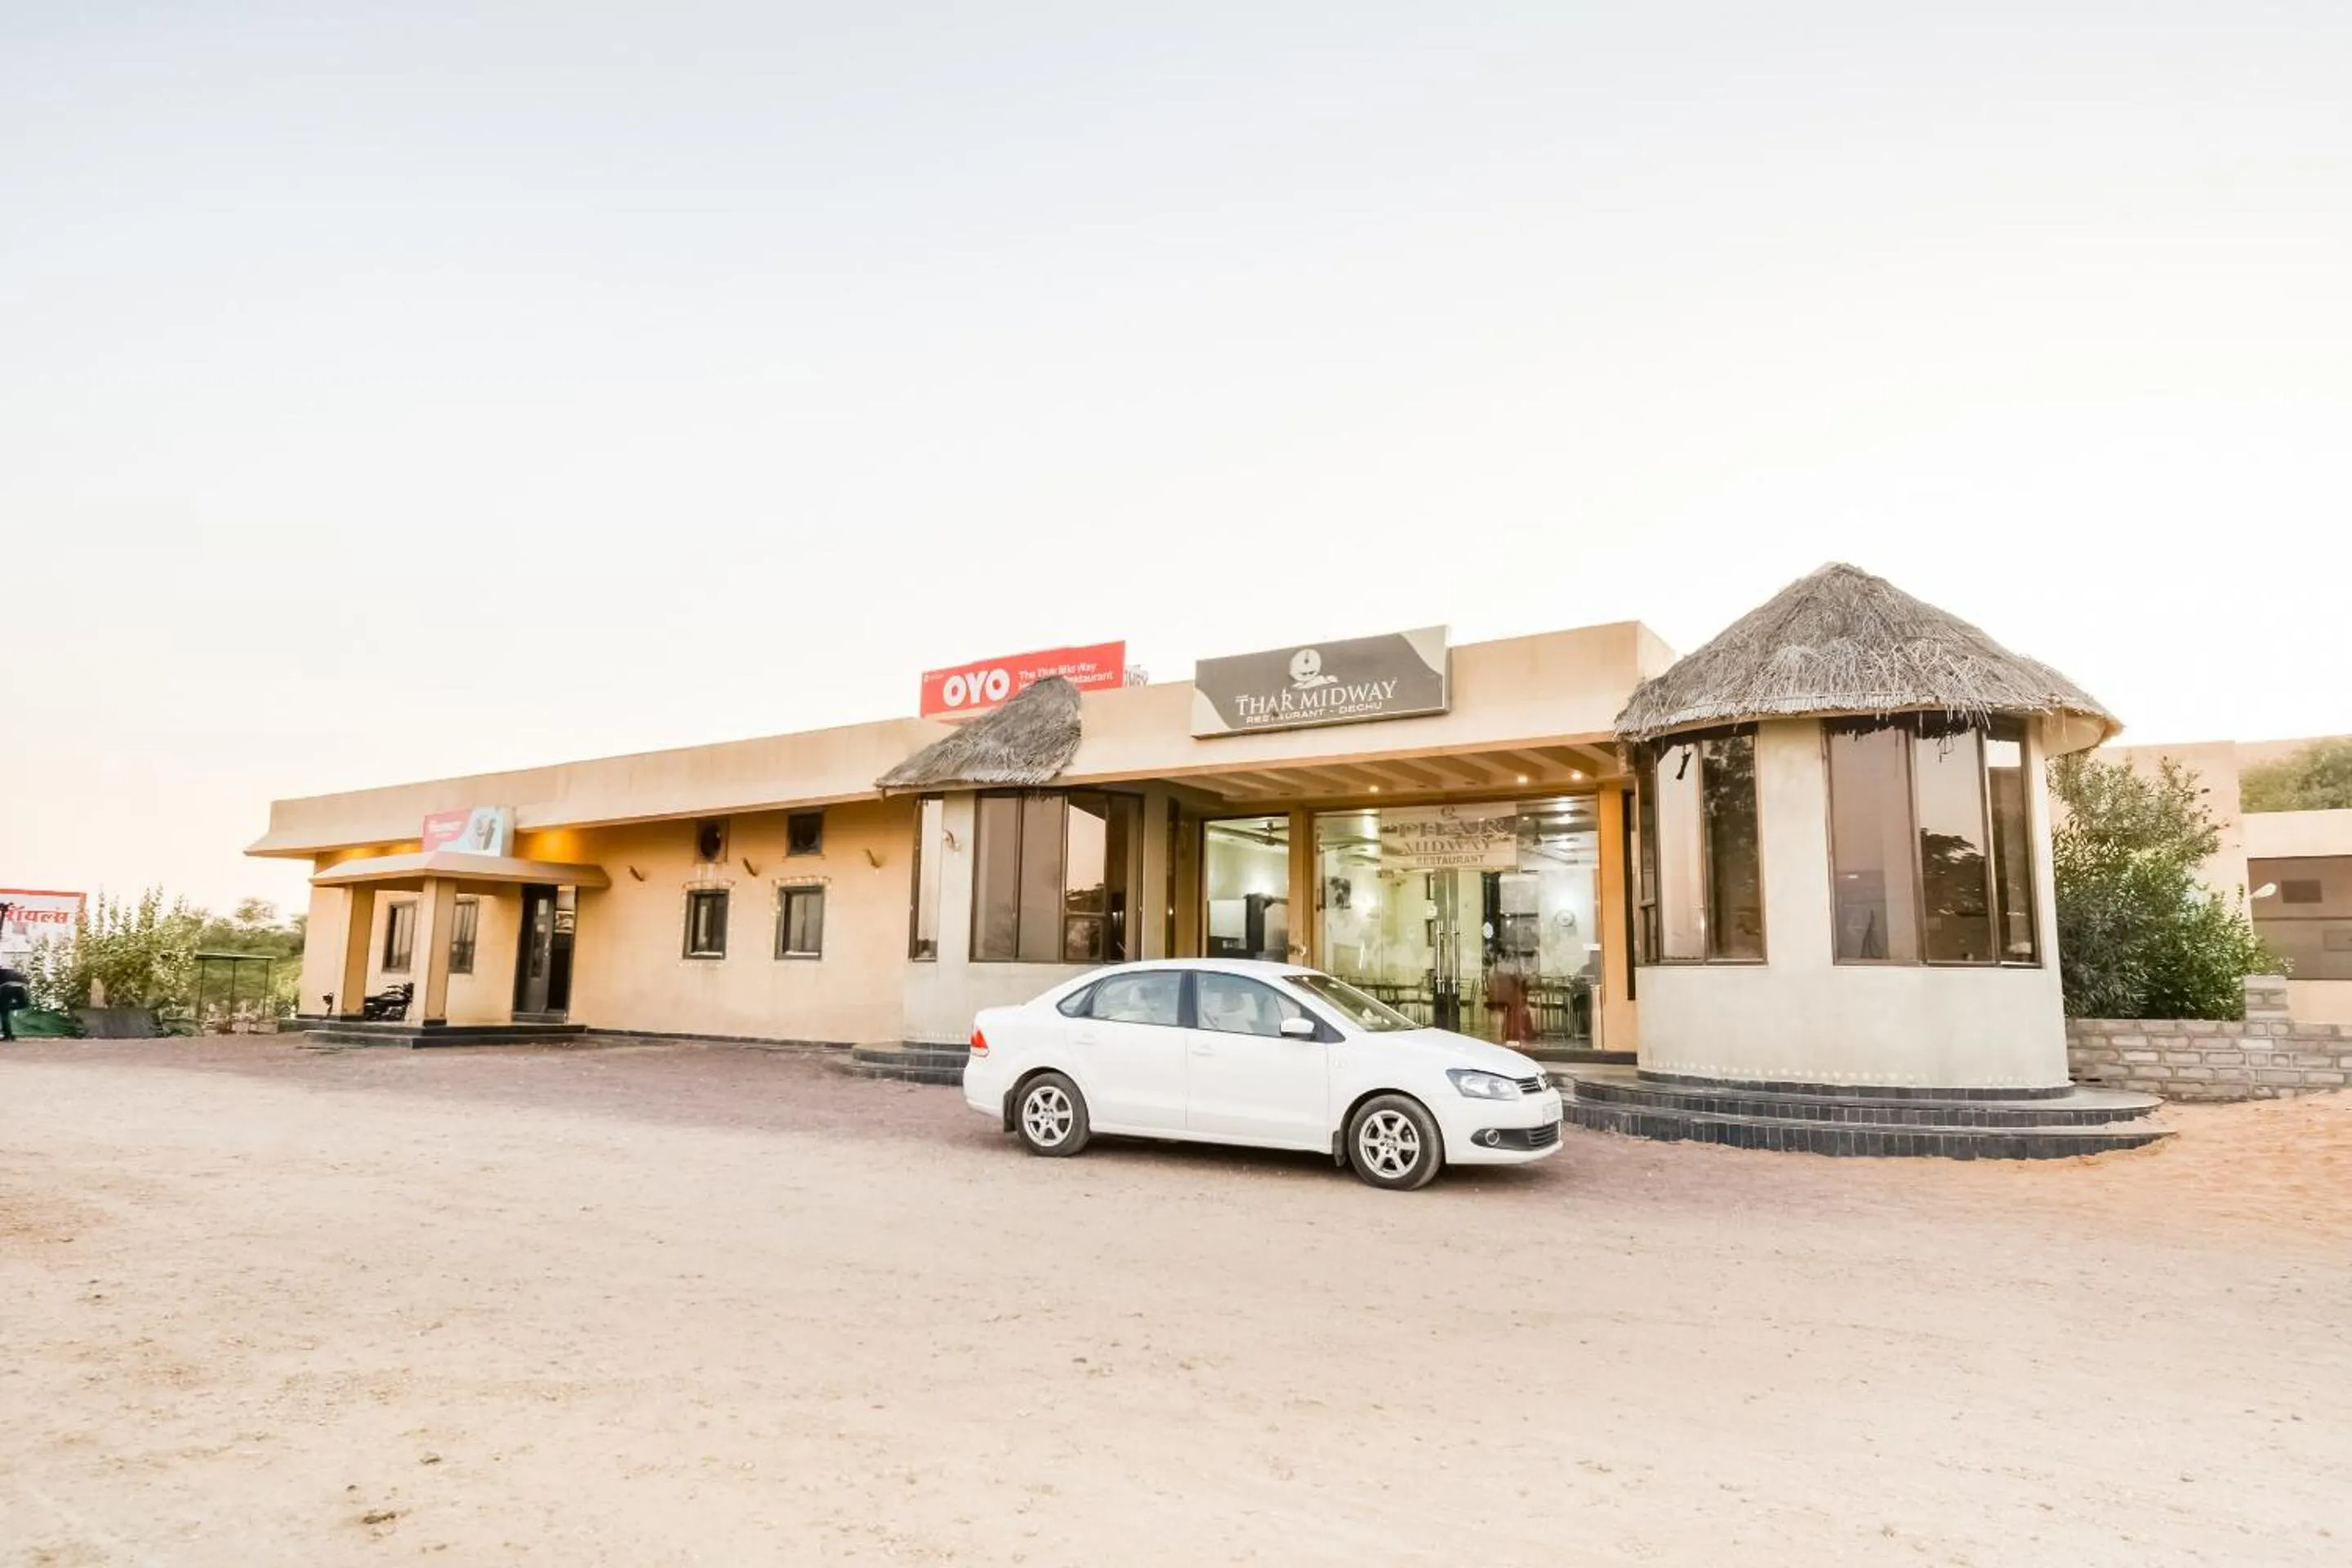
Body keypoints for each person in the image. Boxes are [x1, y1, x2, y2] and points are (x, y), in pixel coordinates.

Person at [0, 964, 29, 1042]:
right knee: (24, 1004)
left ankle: (8, 1035)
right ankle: (7, 1008)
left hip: (7, 987)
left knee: (4, 1012)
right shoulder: (9, 971)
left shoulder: (3, 974)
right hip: (22, 986)